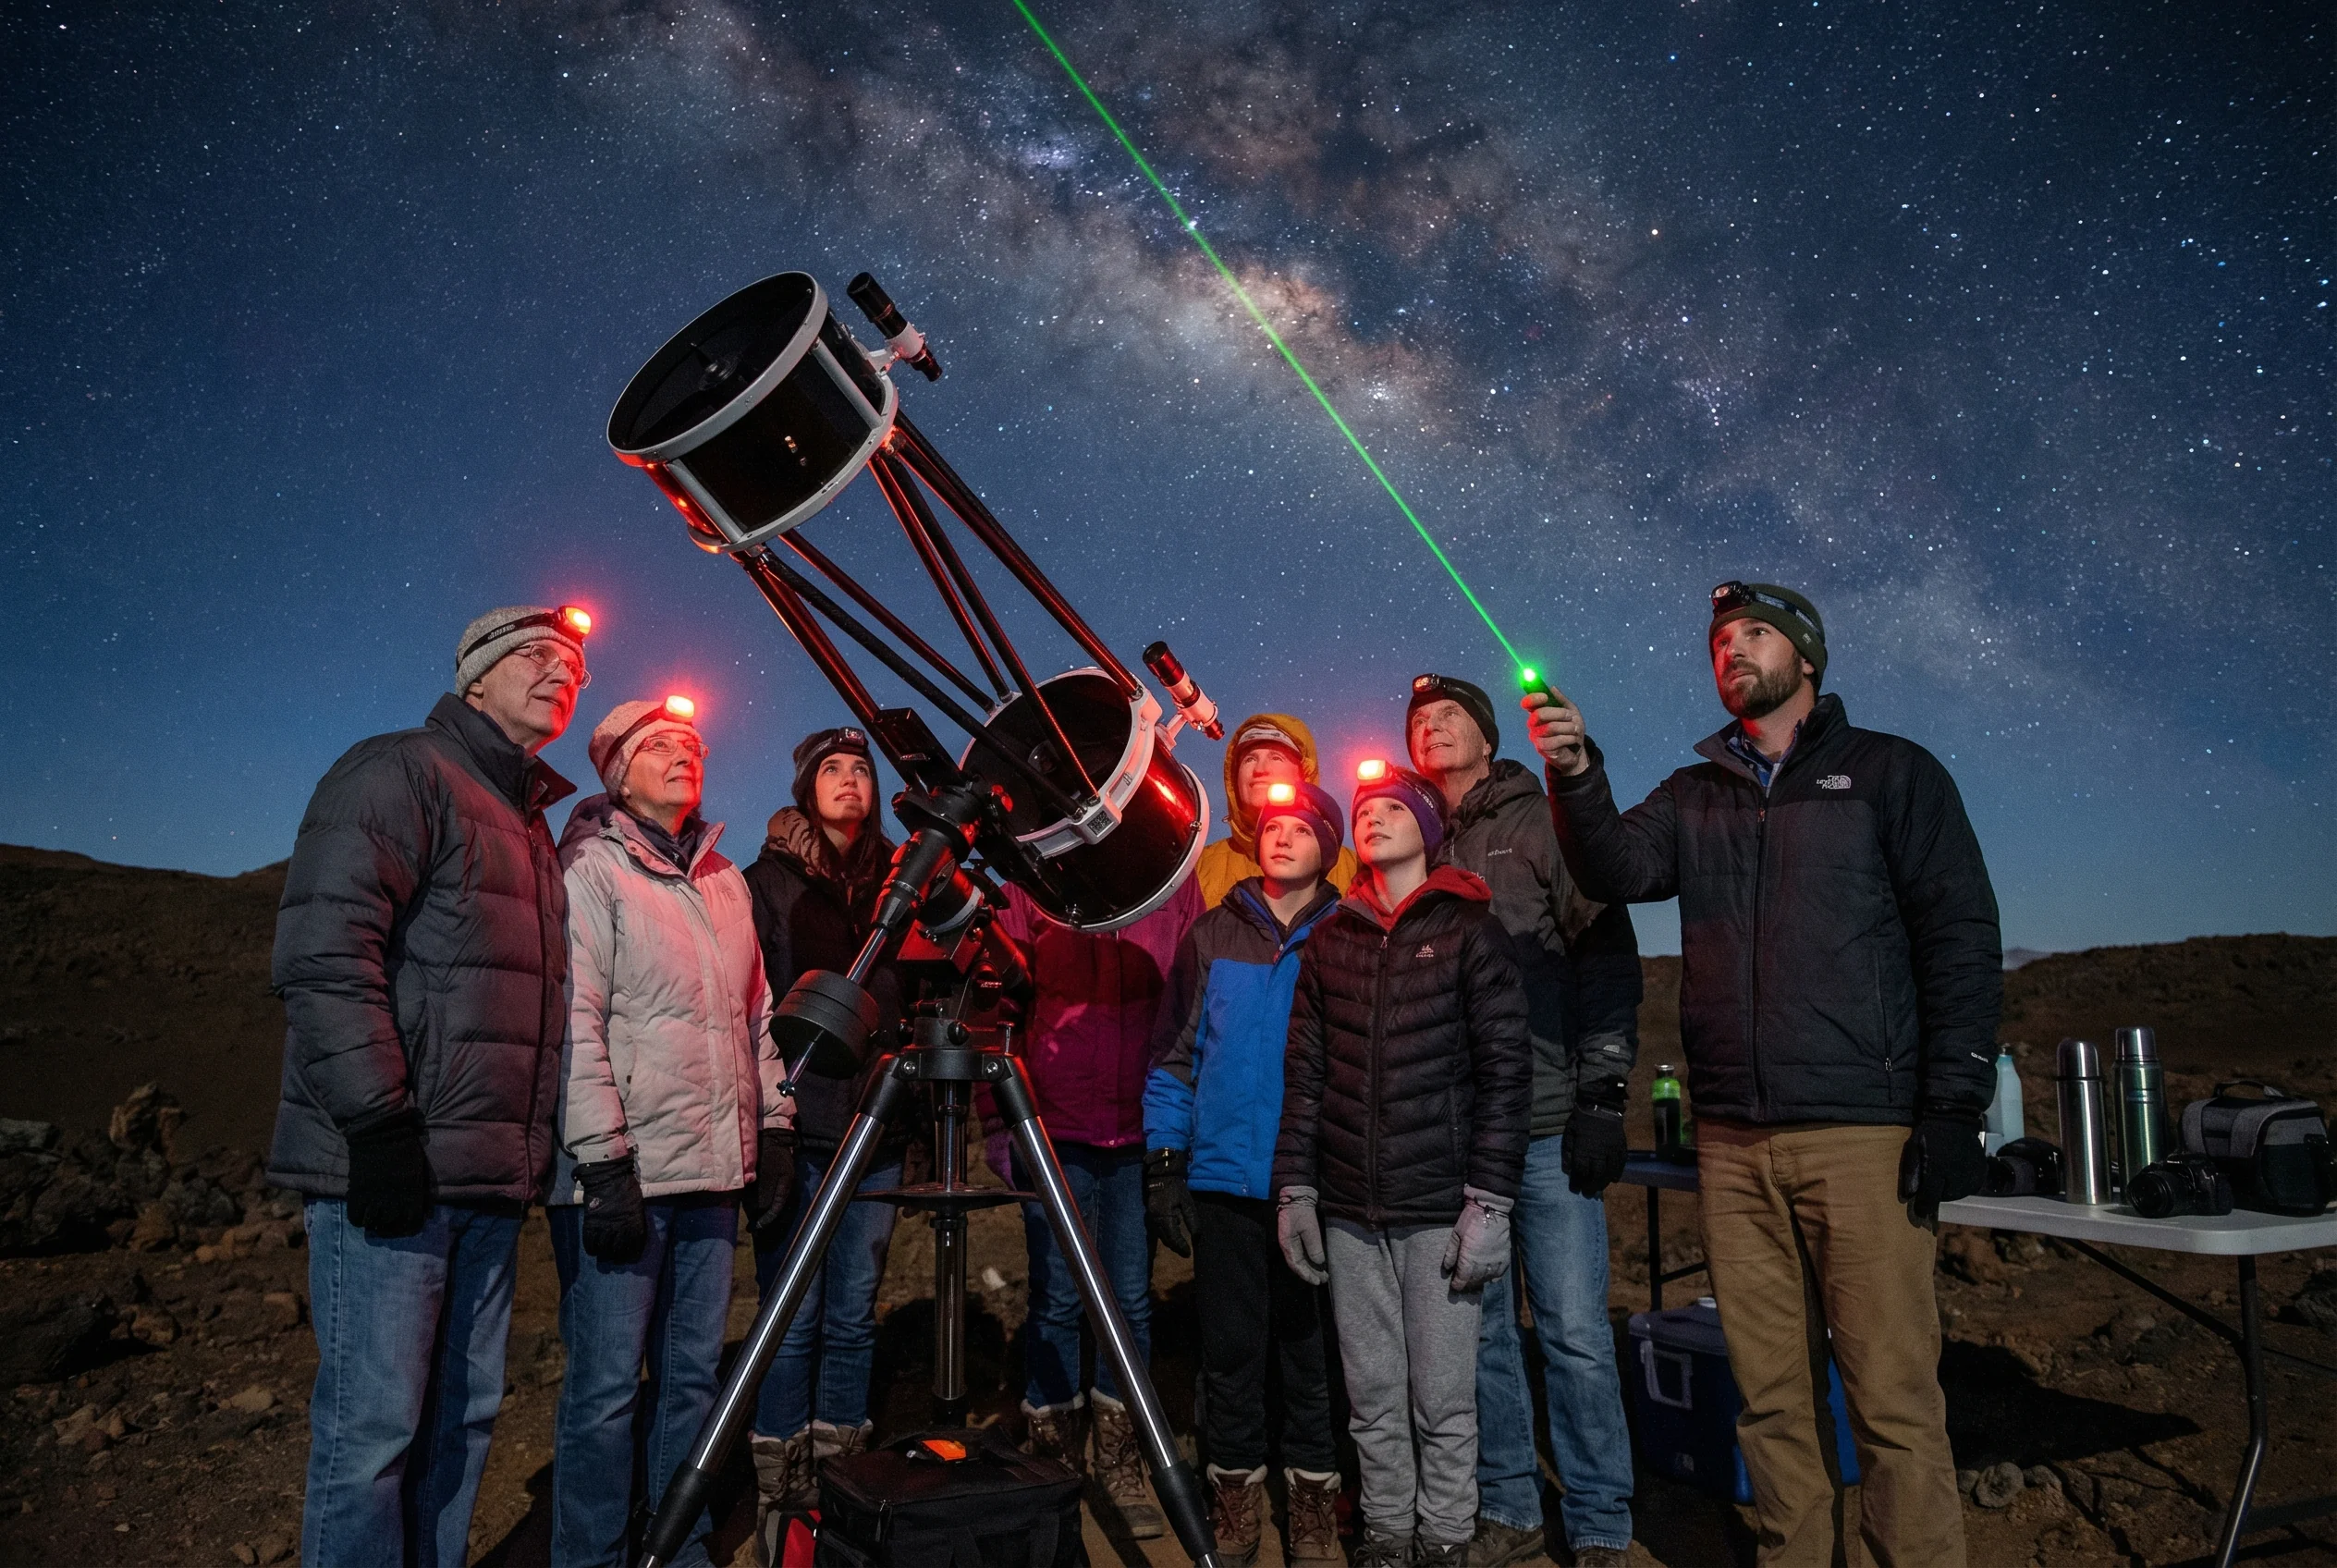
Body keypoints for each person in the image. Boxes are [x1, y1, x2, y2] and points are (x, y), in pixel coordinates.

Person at [1526, 582, 2002, 1568]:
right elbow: (1614, 868)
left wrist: (1953, 1105)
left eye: (1754, 633)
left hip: (1860, 1134)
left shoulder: (1891, 772)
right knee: (1772, 1399)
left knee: (1890, 1399)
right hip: (1733, 1142)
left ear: (1806, 657)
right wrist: (1574, 774)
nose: (1731, 649)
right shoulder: (1693, 792)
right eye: (1718, 640)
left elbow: (1958, 936)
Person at [269, 603, 589, 1568]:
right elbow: (325, 953)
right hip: (397, 1169)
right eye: (535, 654)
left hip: (484, 1181)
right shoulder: (399, 771)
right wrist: (377, 1124)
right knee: (374, 1434)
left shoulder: (528, 823)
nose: (561, 672)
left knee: (463, 1421)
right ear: (474, 676)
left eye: (574, 666)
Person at [1405, 674, 1644, 1568]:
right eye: (1418, 721)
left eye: (1450, 715)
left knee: (1575, 1331)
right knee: (1483, 1335)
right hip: (1456, 1136)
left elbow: (1606, 954)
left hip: (1545, 1124)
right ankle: (1508, 1506)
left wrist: (1602, 1092)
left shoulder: (1542, 823)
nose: (1432, 727)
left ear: (1487, 735)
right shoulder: (1409, 839)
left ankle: (1600, 1520)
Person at [1273, 765, 1531, 1568]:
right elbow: (1306, 1072)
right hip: (1350, 1207)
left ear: (1429, 826)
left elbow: (1506, 1072)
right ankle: (1388, 1533)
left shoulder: (1470, 931)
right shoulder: (1333, 940)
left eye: (1393, 807)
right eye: (1364, 811)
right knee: (1373, 1394)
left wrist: (1490, 1203)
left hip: (1439, 1207)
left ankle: (1445, 1536)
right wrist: (1296, 1188)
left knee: (1443, 1399)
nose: (1374, 818)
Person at [549, 696, 785, 1568]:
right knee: (606, 1389)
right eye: (661, 746)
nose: (686, 755)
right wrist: (603, 1163)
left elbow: (755, 1017)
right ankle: (592, 1556)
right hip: (627, 1175)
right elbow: (574, 1021)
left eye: (693, 745)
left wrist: (774, 1125)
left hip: (711, 1175)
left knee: (689, 1379)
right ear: (619, 773)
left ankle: (674, 1547)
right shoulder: (591, 868)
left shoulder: (724, 880)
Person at [1144, 781, 1349, 1568]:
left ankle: (1313, 1498)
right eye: (1271, 826)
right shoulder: (1212, 934)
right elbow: (1175, 1056)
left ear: (1328, 847)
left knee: (1310, 1351)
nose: (1281, 836)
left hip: (1315, 1181)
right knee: (1230, 1351)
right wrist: (1167, 1160)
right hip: (1224, 1180)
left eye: (1301, 827)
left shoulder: (1348, 934)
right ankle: (1234, 1494)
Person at [996, 872, 1204, 1538]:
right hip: (1053, 1122)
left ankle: (1120, 1457)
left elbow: (1191, 1002)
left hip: (1140, 1121)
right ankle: (1053, 1462)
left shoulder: (1168, 877)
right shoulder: (1035, 879)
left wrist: (1180, 1127)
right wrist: (999, 1124)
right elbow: (1001, 1003)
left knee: (1130, 1300)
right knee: (1056, 1295)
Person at [741, 728, 907, 1540]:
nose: (849, 782)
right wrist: (767, 1122)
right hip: (800, 1124)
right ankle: (782, 1479)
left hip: (879, 1125)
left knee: (852, 1308)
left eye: (861, 770)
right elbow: (752, 999)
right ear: (806, 788)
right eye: (831, 770)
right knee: (792, 1310)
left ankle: (843, 1472)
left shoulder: (902, 883)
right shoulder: (766, 884)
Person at [1194, 713, 1361, 907]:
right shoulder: (1198, 867)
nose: (1260, 770)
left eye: (1276, 757)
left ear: (1303, 773)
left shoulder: (1354, 870)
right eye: (1249, 759)